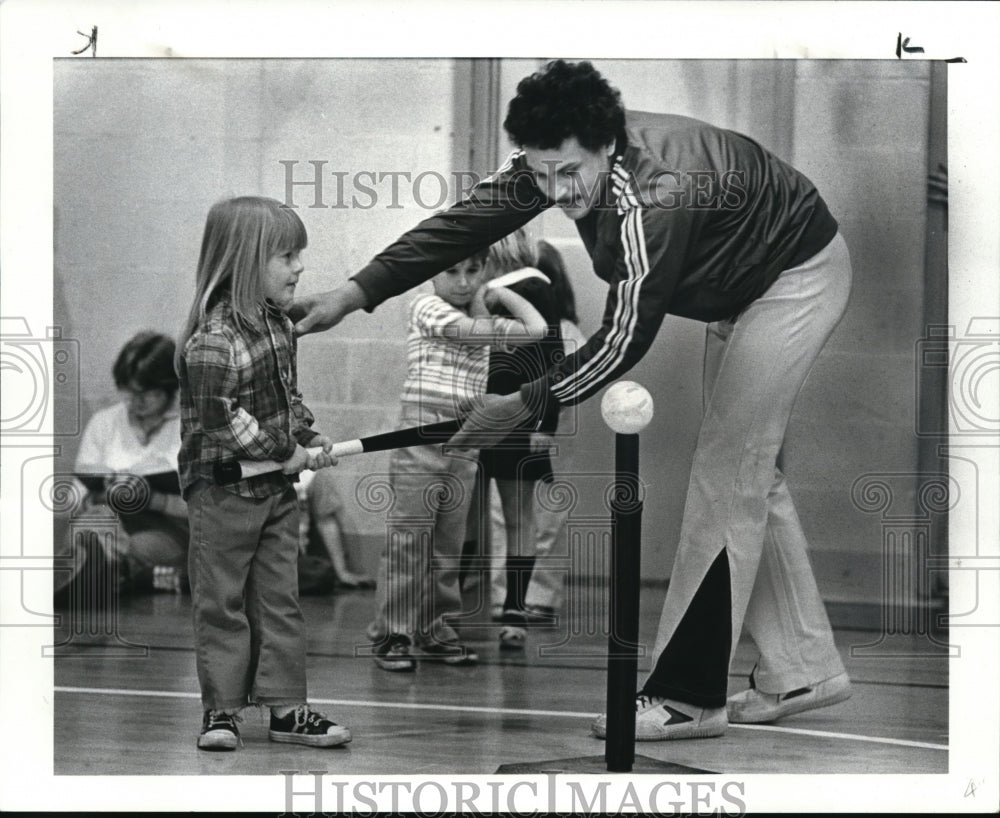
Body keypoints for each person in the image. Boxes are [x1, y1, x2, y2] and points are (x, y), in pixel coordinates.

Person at [293, 60, 855, 740]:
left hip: (793, 275)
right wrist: (354, 293)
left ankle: (688, 697)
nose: (557, 192)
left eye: (571, 175)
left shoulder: (657, 193)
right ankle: (802, 669)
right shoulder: (550, 162)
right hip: (740, 286)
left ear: (607, 145)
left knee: (728, 472)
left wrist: (520, 404)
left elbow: (623, 339)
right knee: (747, 476)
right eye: (543, 174)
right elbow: (460, 226)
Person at [176, 195, 349, 751]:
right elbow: (220, 417)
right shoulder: (212, 339)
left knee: (280, 601)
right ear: (246, 260)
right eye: (287, 256)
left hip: (273, 490)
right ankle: (222, 712)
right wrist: (283, 450)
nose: (299, 267)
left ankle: (286, 709)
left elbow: (284, 395)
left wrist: (306, 434)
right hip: (222, 491)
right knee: (221, 603)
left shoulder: (278, 325)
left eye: (299, 255)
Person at [368, 245, 548, 672]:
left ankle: (434, 630)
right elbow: (470, 331)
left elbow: (538, 329)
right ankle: (392, 632)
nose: (464, 281)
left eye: (473, 269)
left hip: (465, 438)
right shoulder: (426, 307)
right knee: (409, 541)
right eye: (452, 270)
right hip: (420, 434)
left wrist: (499, 293)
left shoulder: (481, 314)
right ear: (434, 273)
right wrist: (487, 303)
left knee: (448, 545)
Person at [488, 240, 587, 625]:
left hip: (550, 431)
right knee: (506, 513)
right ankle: (506, 596)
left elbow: (566, 385)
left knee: (545, 514)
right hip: (512, 428)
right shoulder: (513, 321)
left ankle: (538, 595)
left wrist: (543, 421)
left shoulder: (566, 331)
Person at [474, 230, 563, 650]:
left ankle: (515, 607)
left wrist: (546, 423)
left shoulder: (533, 286)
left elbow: (552, 356)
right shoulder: (478, 289)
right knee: (462, 517)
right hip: (475, 413)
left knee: (518, 516)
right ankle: (440, 612)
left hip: (516, 418)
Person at [58, 331, 189, 606]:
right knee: (93, 525)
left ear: (169, 388)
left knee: (128, 547)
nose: (136, 401)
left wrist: (153, 498)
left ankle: (95, 574)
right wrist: (102, 489)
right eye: (130, 391)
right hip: (109, 518)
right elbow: (74, 497)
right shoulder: (104, 422)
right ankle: (110, 572)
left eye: (147, 392)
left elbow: (204, 510)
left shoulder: (188, 427)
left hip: (166, 527)